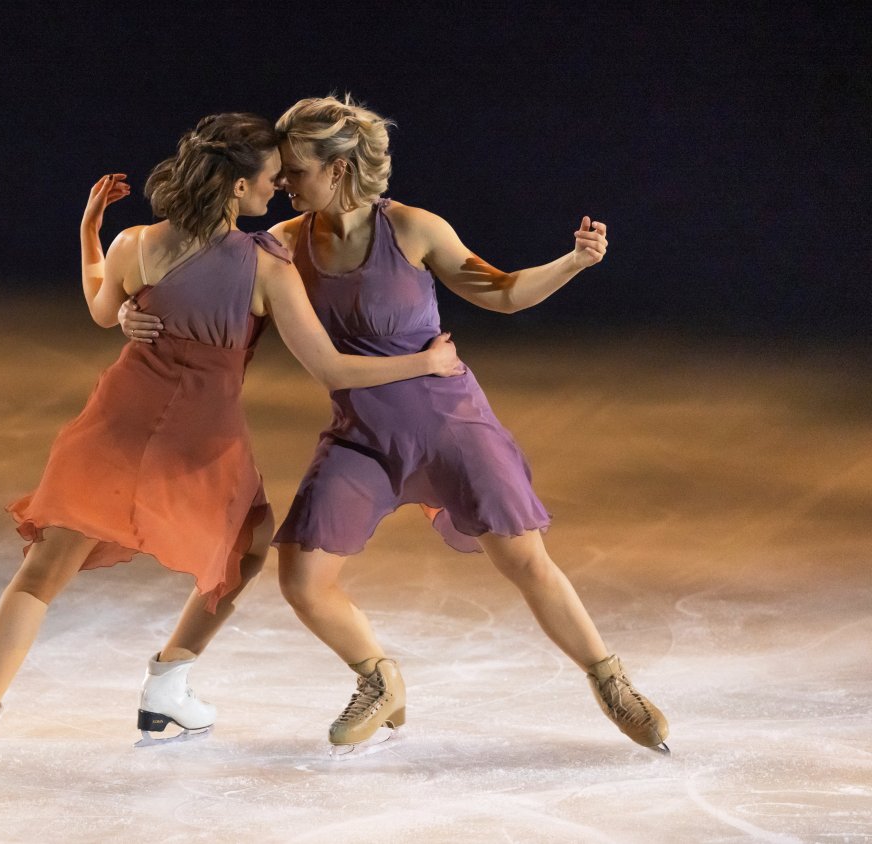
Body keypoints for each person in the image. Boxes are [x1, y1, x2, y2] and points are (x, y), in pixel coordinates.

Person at [0, 112, 463, 781]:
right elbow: (332, 369)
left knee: (45, 570)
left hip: (117, 423)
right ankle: (168, 684)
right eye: (269, 178)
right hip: (201, 439)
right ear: (235, 187)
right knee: (250, 545)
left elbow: (98, 307)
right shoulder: (267, 266)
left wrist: (91, 234)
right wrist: (423, 367)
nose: (280, 188)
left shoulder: (135, 244)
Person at [120, 96, 670, 757]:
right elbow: (200, 280)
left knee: (524, 558)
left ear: (341, 167)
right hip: (362, 438)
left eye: (296, 170)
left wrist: (574, 262)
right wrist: (131, 313)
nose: (285, 184)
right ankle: (379, 679)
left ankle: (609, 681)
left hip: (450, 424)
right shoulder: (284, 246)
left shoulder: (412, 229)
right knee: (301, 576)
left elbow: (499, 291)